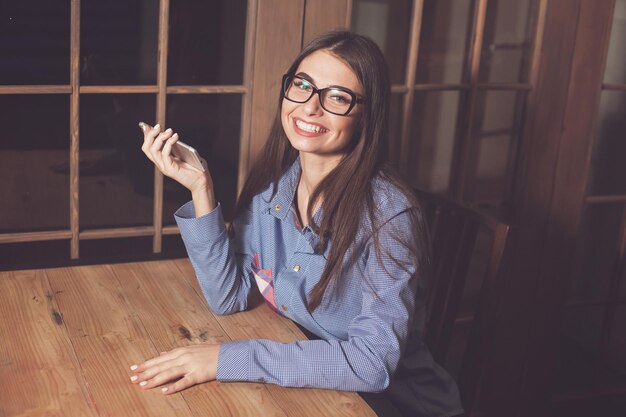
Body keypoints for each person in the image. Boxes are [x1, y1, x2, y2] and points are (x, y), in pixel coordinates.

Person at [132, 30, 464, 417]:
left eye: (337, 97)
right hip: (315, 393)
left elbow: (372, 363)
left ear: (367, 116)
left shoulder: (389, 217)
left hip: (394, 407)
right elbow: (227, 295)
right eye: (302, 86)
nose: (309, 108)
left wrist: (225, 359)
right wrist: (201, 187)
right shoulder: (271, 191)